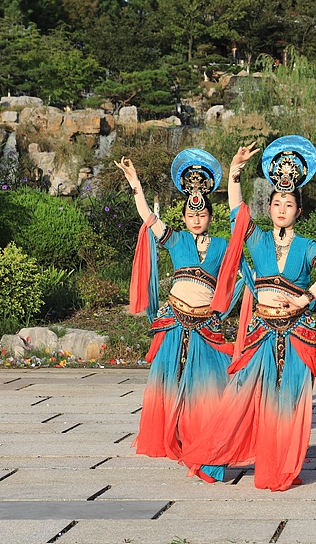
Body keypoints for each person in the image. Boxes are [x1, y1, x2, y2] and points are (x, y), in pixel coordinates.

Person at [181, 136, 316, 491]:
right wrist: (234, 172)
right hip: (261, 334)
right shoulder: (257, 240)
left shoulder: (307, 245)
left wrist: (304, 299)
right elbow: (237, 212)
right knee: (241, 398)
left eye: (289, 204)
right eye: (277, 203)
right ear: (269, 208)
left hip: (297, 335)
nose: (282, 208)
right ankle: (214, 461)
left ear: (299, 210)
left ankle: (281, 467)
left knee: (292, 403)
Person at [119, 149, 241, 483]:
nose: (196, 219)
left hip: (206, 327)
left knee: (209, 390)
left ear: (210, 217)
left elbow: (242, 251)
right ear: (185, 217)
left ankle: (203, 440)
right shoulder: (176, 240)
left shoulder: (223, 246)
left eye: (201, 215)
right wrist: (136, 185)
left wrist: (234, 179)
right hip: (174, 321)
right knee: (169, 383)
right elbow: (147, 217)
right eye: (190, 214)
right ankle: (171, 439)